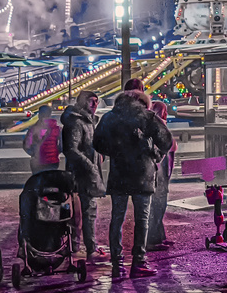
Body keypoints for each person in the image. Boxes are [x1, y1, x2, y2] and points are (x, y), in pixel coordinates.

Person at [92, 87, 174, 279]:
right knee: (142, 220)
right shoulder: (147, 117)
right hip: (142, 175)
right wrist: (151, 151)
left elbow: (97, 144)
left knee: (117, 219)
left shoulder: (109, 118)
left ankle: (117, 265)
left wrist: (116, 150)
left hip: (119, 174)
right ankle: (139, 262)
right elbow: (167, 141)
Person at [61, 91, 106, 258]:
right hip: (80, 175)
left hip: (88, 174)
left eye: (96, 101)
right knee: (79, 213)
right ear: (82, 102)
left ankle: (86, 247)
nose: (94, 105)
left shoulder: (89, 122)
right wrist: (90, 165)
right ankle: (80, 248)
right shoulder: (76, 122)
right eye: (91, 101)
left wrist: (101, 155)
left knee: (88, 212)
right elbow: (71, 149)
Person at [146, 99, 175, 252]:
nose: (166, 114)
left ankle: (159, 236)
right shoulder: (156, 128)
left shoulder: (160, 126)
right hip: (158, 171)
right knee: (157, 205)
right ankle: (153, 239)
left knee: (160, 205)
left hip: (163, 171)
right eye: (164, 111)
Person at [23, 104, 62, 174]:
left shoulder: (34, 129)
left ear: (39, 115)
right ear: (50, 115)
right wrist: (55, 153)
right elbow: (61, 146)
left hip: (38, 161)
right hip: (53, 162)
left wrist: (33, 154)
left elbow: (26, 145)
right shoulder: (58, 129)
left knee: (39, 182)